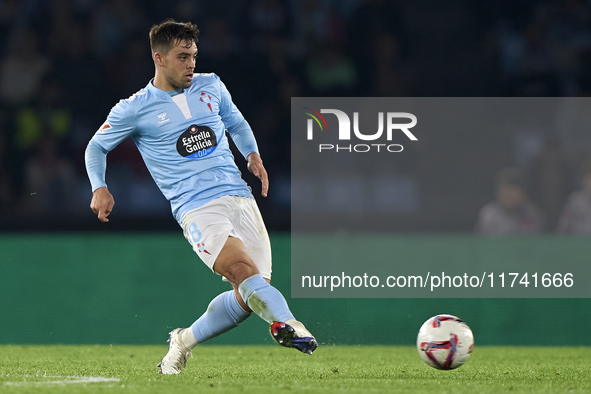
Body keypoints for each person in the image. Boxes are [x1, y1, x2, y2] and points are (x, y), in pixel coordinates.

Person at [84, 19, 317, 374]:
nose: (191, 63)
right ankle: (289, 324)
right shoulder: (134, 107)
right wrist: (99, 186)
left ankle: (183, 341)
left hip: (240, 197)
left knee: (249, 293)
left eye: (193, 55)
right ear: (159, 59)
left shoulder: (211, 85)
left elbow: (236, 122)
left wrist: (252, 155)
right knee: (242, 272)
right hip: (196, 207)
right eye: (182, 57)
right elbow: (96, 147)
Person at [475, 168, 544, 235]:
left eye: (510, 191)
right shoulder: (487, 215)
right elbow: (478, 243)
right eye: (502, 191)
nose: (506, 196)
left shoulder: (533, 215)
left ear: (523, 193)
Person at [556, 157, 591, 234]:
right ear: (584, 179)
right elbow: (562, 229)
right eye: (589, 177)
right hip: (578, 244)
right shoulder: (575, 200)